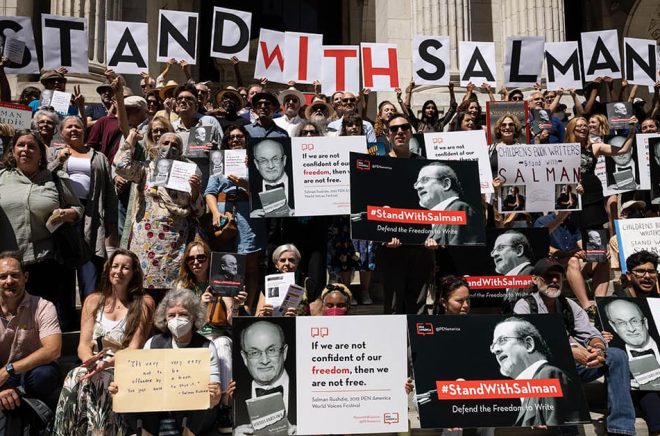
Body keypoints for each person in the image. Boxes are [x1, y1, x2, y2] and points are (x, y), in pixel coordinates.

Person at [513, 258, 637, 436]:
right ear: (535, 279)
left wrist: (598, 349)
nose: (554, 281)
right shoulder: (525, 306)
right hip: (544, 371)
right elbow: (530, 347)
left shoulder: (568, 305)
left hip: (578, 365)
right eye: (548, 276)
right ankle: (567, 430)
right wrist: (569, 352)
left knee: (616, 355)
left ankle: (621, 428)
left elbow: (591, 334)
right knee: (557, 367)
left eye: (558, 277)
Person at [53, 249, 155, 435]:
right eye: (115, 266)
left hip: (123, 364)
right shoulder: (93, 300)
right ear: (108, 270)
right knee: (75, 375)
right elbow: (83, 344)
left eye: (125, 267)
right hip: (93, 362)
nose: (119, 271)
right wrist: (90, 361)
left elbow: (135, 348)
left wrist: (107, 363)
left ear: (134, 273)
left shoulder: (144, 302)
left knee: (106, 378)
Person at [0, 130, 83, 331]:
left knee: (43, 322)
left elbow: (78, 209)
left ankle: (45, 359)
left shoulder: (55, 178)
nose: (25, 150)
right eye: (21, 145)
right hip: (10, 265)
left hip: (46, 261)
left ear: (40, 154)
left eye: (31, 147)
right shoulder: (2, 178)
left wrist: (66, 214)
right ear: (13, 150)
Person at [108, 288, 221, 435]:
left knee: (206, 405)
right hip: (157, 409)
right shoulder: (153, 343)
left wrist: (214, 396)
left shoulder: (206, 347)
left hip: (189, 411)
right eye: (171, 315)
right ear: (165, 318)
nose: (177, 319)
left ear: (194, 317)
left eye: (183, 314)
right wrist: (120, 390)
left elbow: (214, 385)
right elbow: (139, 382)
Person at [115, 132, 204, 297]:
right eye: (165, 143)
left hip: (174, 243)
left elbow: (199, 211)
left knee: (172, 293)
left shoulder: (189, 173)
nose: (169, 147)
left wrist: (195, 191)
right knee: (143, 292)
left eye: (175, 144)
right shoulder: (146, 169)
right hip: (146, 242)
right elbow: (121, 166)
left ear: (181, 151)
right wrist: (130, 141)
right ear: (157, 146)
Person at [47, 115, 118, 302]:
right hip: (64, 215)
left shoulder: (99, 157)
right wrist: (58, 161)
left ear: (84, 131)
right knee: (64, 267)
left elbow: (110, 191)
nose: (73, 130)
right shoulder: (53, 154)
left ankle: (90, 314)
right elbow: (44, 178)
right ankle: (65, 319)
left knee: (91, 266)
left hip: (92, 214)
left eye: (77, 126)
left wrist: (111, 223)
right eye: (68, 127)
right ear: (61, 132)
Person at [377, 114, 435, 314]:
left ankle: (418, 346)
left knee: (418, 306)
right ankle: (394, 345)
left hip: (422, 246)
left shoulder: (426, 166)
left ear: (411, 132)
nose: (399, 132)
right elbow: (370, 204)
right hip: (391, 246)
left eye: (404, 127)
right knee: (393, 307)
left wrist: (435, 235)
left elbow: (435, 204)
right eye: (394, 129)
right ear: (387, 135)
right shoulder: (376, 166)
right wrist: (383, 235)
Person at [0, 252, 62, 426]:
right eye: (3, 276)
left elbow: (53, 350)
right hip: (4, 377)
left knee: (46, 375)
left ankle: (31, 412)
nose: (9, 281)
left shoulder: (43, 306)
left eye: (14, 275)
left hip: (32, 372)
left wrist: (8, 370)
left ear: (25, 277)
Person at [490, 317, 584, 427]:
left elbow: (555, 431)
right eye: (493, 345)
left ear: (528, 344)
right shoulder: (531, 387)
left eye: (503, 340)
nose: (495, 350)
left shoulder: (548, 375)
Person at [234, 320, 295, 436]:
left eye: (271, 350)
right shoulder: (233, 396)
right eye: (254, 353)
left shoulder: (310, 390)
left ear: (284, 352)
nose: (264, 360)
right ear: (244, 358)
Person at [415, 162, 483, 245]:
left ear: (446, 184)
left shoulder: (458, 208)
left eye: (425, 180)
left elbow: (460, 254)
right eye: (417, 183)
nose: (418, 187)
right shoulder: (441, 218)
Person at [604, 299, 659, 368]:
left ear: (645, 322)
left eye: (634, 321)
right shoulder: (613, 356)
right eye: (621, 323)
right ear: (613, 327)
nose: (631, 329)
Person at [250, 138, 294, 217]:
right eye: (263, 161)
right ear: (256, 164)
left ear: (284, 160)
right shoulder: (249, 188)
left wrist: (302, 214)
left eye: (275, 159)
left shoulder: (302, 185)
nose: (270, 166)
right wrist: (250, 216)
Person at [491, 230, 534, 310]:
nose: (494, 254)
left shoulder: (531, 276)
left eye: (500, 248)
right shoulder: (516, 280)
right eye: (493, 251)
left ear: (519, 250)